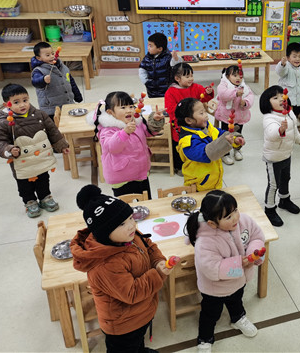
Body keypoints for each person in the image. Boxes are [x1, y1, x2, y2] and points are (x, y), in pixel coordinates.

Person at [71, 185, 170, 353]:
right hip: (123, 326)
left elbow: (147, 244)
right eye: (122, 223)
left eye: (130, 217)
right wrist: (158, 274)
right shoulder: (105, 265)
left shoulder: (128, 236)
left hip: (140, 312)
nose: (131, 225)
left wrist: (158, 261)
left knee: (137, 344)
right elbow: (132, 293)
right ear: (104, 233)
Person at [184, 190, 265, 352]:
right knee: (210, 314)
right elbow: (212, 268)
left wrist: (252, 253)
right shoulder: (205, 241)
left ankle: (238, 318)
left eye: (235, 210)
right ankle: (205, 338)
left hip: (239, 281)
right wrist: (240, 264)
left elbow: (257, 236)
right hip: (215, 290)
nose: (235, 217)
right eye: (228, 217)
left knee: (237, 301)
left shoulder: (244, 221)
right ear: (212, 223)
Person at [0, 83, 69, 217]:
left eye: (25, 100)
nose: (22, 105)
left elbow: (53, 131)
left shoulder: (40, 115)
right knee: (24, 185)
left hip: (41, 158)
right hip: (22, 163)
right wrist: (9, 149)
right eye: (16, 102)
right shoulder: (4, 123)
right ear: (6, 105)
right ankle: (30, 202)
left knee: (43, 179)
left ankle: (45, 197)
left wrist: (61, 146)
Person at [90, 91, 165, 197]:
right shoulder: (107, 128)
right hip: (122, 177)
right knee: (128, 204)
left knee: (146, 200)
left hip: (141, 172)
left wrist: (155, 121)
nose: (129, 110)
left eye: (131, 106)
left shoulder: (136, 121)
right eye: (123, 107)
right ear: (110, 112)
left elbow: (148, 132)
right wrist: (124, 133)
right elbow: (112, 147)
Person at [175, 98, 244, 191]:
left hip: (214, 181)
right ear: (189, 120)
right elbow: (208, 154)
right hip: (198, 186)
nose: (206, 115)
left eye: (205, 111)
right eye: (201, 113)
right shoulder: (187, 141)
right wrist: (226, 142)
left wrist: (234, 140)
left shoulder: (206, 126)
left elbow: (219, 134)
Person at [259, 85, 300, 227]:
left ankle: (284, 200)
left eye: (282, 96)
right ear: (267, 103)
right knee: (274, 184)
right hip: (273, 157)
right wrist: (280, 130)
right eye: (275, 98)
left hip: (286, 154)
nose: (280, 99)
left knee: (286, 178)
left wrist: (299, 139)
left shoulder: (289, 113)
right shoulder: (269, 118)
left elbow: (294, 128)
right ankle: (269, 209)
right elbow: (272, 135)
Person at [165, 63, 215, 172]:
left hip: (196, 123)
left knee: (196, 142)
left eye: (192, 75)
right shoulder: (171, 92)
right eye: (187, 76)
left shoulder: (196, 87)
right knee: (180, 145)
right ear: (177, 78)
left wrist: (207, 92)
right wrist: (185, 110)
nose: (191, 79)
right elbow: (170, 109)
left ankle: (197, 161)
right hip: (180, 125)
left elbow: (204, 97)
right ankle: (179, 166)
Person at [30, 41, 83, 117]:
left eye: (52, 53)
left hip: (68, 104)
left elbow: (71, 81)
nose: (52, 56)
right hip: (51, 109)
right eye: (48, 55)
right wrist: (43, 80)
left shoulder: (63, 67)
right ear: (39, 58)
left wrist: (77, 96)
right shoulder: (38, 70)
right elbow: (35, 82)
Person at [215, 65, 254, 165]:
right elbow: (223, 95)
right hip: (226, 117)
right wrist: (235, 94)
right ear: (228, 76)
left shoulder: (244, 86)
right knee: (226, 135)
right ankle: (225, 153)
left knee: (238, 134)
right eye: (235, 75)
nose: (238, 78)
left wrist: (245, 102)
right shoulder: (223, 85)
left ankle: (237, 149)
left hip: (240, 116)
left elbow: (250, 96)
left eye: (240, 76)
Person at [275, 42, 300, 118]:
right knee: (285, 117)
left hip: (298, 101)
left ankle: (294, 121)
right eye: (294, 56)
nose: (297, 59)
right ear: (288, 58)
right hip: (286, 100)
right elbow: (280, 72)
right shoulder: (286, 67)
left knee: (295, 115)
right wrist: (282, 64)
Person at [139, 32, 182, 98]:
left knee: (167, 101)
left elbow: (177, 66)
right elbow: (142, 69)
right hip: (151, 89)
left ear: (160, 49)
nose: (148, 48)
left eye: (150, 46)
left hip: (166, 89)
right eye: (148, 45)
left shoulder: (168, 57)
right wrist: (146, 82)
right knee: (154, 101)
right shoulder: (147, 58)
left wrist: (176, 58)